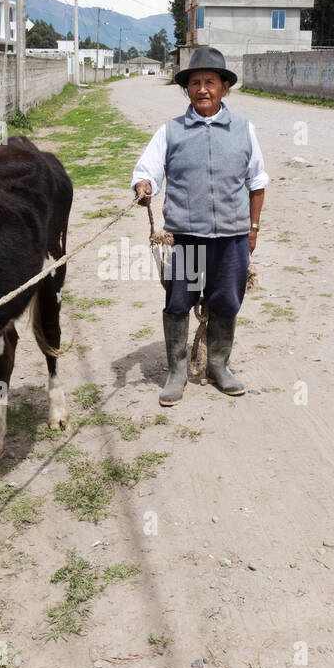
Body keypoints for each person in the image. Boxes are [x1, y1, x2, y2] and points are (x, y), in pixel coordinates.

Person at [131, 46, 268, 406]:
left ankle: (217, 366)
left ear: (225, 88)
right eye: (195, 83)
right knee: (179, 300)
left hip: (231, 237)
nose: (202, 89)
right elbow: (148, 168)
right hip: (188, 237)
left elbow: (257, 181)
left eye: (211, 82)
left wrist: (252, 228)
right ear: (186, 89)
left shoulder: (244, 130)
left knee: (226, 300)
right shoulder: (171, 131)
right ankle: (177, 371)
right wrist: (144, 186)